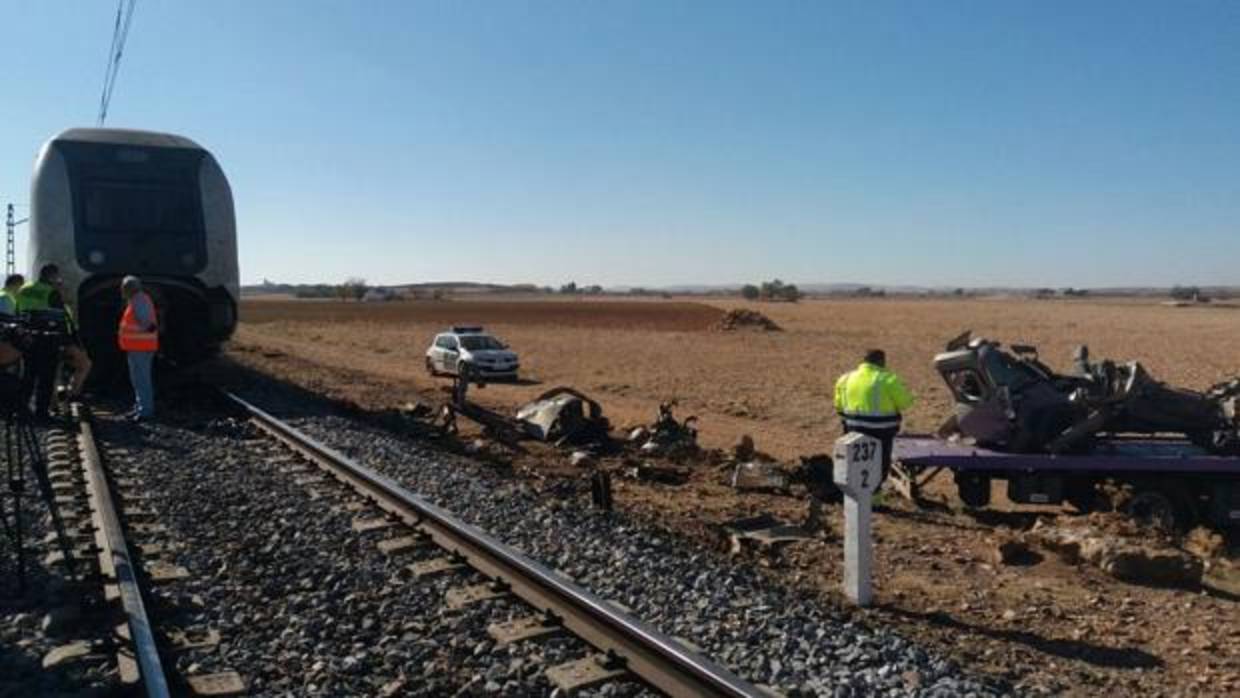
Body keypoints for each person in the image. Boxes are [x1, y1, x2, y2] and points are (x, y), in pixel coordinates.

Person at [834, 349, 914, 486]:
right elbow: (905, 403)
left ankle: (855, 495)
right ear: (881, 361)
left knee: (854, 461)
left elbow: (838, 406)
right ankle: (874, 499)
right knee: (879, 464)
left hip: (853, 429)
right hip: (882, 432)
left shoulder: (845, 379)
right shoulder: (888, 379)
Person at [16, 264, 66, 420]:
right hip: (47, 339)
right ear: (51, 276)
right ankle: (41, 413)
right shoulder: (51, 292)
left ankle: (22, 410)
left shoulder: (24, 289)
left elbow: (17, 312)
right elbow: (59, 318)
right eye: (56, 276)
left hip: (27, 338)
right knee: (46, 377)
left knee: (28, 374)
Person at [118, 276, 158, 421]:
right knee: (137, 379)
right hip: (137, 347)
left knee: (142, 380)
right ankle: (140, 407)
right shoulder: (136, 300)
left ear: (129, 288)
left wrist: (148, 327)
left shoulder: (139, 300)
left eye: (123, 287)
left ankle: (145, 411)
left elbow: (146, 321)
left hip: (141, 347)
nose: (121, 290)